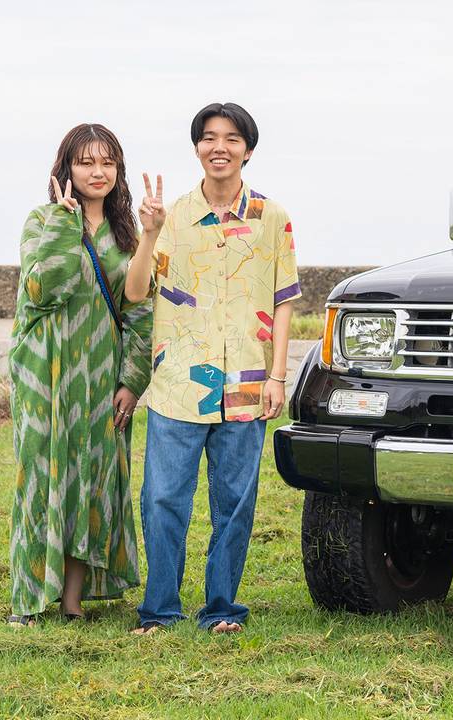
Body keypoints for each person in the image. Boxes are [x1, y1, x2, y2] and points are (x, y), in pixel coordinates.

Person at [125, 102, 300, 634]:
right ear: (197, 147)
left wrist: (277, 376)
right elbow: (135, 291)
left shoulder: (272, 218)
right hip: (178, 382)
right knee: (162, 499)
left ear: (248, 149)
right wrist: (148, 233)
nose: (218, 147)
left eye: (230, 138)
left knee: (235, 504)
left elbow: (284, 300)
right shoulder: (172, 216)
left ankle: (222, 609)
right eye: (208, 137)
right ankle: (160, 610)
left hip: (247, 381)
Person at [7, 124, 156, 627]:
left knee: (91, 478)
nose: (98, 172)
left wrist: (132, 381)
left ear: (119, 171)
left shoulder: (126, 234)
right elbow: (43, 289)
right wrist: (65, 224)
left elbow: (139, 311)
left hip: (100, 375)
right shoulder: (41, 221)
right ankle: (28, 599)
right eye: (86, 162)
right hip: (44, 373)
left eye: (107, 162)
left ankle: (72, 601)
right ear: (66, 168)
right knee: (40, 478)